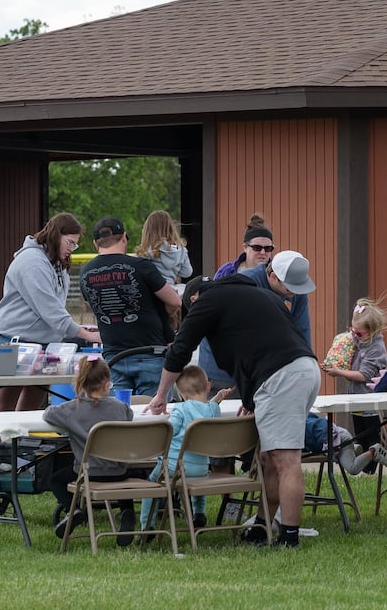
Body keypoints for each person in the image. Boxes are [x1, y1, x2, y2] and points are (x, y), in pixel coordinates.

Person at [146, 250, 320, 548]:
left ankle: (289, 538)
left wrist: (161, 395)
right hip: (303, 370)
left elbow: (180, 350)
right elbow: (257, 349)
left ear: (193, 301)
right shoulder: (263, 297)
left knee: (286, 460)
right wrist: (252, 400)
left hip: (282, 377)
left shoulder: (207, 300)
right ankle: (262, 527)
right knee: (268, 458)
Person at [0, 212, 100, 411]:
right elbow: (49, 310)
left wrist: (81, 328)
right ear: (55, 235)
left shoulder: (56, 263)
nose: (72, 249)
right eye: (70, 243)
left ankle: (22, 442)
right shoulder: (32, 263)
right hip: (14, 341)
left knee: (32, 405)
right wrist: (86, 334)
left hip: (44, 344)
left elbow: (56, 308)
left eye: (75, 245)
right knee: (2, 407)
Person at [77, 216, 181, 396]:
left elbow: (92, 306)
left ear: (95, 244)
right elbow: (175, 301)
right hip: (150, 352)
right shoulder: (141, 266)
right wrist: (164, 312)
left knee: (119, 415)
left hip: (113, 356)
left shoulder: (85, 272)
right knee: (153, 415)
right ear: (124, 237)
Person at [42, 354, 137, 543]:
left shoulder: (71, 410)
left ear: (80, 382)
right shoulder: (120, 407)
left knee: (56, 480)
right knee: (125, 476)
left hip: (88, 472)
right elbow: (130, 415)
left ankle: (74, 510)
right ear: (107, 383)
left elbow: (48, 414)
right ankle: (127, 512)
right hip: (118, 470)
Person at [197, 216, 278, 391]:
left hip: (260, 366)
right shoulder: (227, 272)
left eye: (268, 248)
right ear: (245, 247)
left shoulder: (277, 276)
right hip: (220, 365)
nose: (263, 252)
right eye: (257, 247)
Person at [160, 364, 230, 529]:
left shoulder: (180, 410)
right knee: (197, 474)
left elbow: (169, 432)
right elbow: (208, 407)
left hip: (178, 468)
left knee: (153, 479)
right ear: (208, 386)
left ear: (182, 394)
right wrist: (217, 398)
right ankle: (199, 512)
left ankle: (146, 524)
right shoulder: (213, 410)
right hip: (202, 468)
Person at [322, 296, 387, 451]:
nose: (354, 336)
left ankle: (371, 468)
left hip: (371, 403)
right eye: (352, 331)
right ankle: (364, 466)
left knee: (371, 439)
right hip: (357, 400)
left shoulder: (376, 349)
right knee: (359, 436)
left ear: (373, 332)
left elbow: (363, 375)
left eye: (358, 334)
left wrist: (339, 372)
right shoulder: (360, 341)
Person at [136, 209, 192, 329]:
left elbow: (138, 269)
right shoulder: (181, 250)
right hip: (172, 292)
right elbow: (187, 272)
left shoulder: (147, 251)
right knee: (170, 324)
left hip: (154, 293)